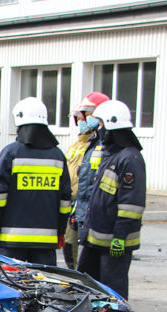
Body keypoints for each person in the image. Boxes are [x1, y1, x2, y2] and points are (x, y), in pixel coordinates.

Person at [0, 97, 71, 266]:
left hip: (12, 239)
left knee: (11, 286)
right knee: (45, 285)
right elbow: (65, 200)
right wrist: (61, 230)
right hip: (46, 242)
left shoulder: (11, 153)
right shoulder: (58, 156)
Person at [77, 99, 146, 300]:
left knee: (112, 293)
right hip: (96, 239)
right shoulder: (112, 155)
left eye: (101, 124)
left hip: (114, 242)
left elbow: (131, 205)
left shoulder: (130, 158)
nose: (99, 129)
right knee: (87, 286)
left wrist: (120, 237)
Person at [63, 91, 109, 268]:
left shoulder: (101, 145)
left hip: (89, 207)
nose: (83, 120)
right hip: (75, 205)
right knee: (70, 248)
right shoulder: (79, 144)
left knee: (87, 256)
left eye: (88, 115)